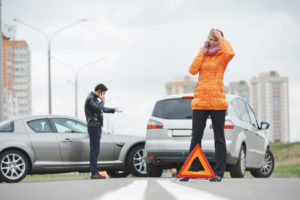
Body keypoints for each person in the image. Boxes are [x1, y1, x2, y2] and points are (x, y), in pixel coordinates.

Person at [180, 29, 235, 182]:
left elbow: (231, 53)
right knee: (196, 136)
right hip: (200, 102)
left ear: (221, 41)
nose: (212, 41)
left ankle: (218, 172)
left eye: (215, 39)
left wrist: (221, 39)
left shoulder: (223, 55)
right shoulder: (202, 53)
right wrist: (202, 52)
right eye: (211, 38)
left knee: (219, 137)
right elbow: (192, 70)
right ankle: (192, 170)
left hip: (217, 102)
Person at [84, 83, 122, 179]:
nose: (104, 95)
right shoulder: (90, 99)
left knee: (96, 150)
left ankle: (94, 172)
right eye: (103, 93)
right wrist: (102, 101)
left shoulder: (94, 99)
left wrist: (114, 110)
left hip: (96, 126)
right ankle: (94, 173)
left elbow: (102, 109)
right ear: (99, 91)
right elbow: (99, 109)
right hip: (94, 126)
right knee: (94, 150)